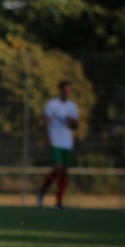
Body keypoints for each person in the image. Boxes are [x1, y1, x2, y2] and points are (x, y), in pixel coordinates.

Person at [37, 81, 78, 209]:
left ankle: (59, 202)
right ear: (60, 91)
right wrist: (47, 136)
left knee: (63, 171)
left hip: (67, 143)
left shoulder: (72, 107)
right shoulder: (52, 104)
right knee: (58, 168)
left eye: (68, 91)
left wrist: (71, 121)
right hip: (56, 141)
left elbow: (75, 125)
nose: (66, 93)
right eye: (65, 90)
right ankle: (43, 190)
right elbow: (47, 122)